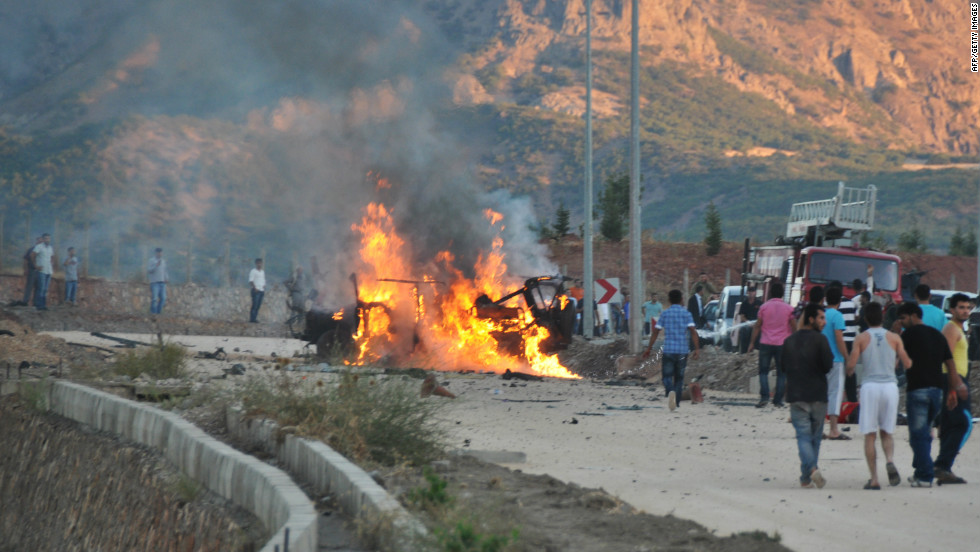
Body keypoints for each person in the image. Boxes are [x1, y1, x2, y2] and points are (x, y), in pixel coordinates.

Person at [846, 302, 912, 490]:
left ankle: (874, 478)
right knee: (887, 432)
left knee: (869, 435)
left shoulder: (861, 338)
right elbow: (907, 363)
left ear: (865, 319)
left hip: (870, 387)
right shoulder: (894, 338)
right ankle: (889, 460)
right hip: (890, 387)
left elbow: (851, 366)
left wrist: (850, 370)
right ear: (882, 318)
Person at [897, 302, 954, 487]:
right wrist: (953, 387)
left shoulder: (907, 335)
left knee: (918, 435)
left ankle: (925, 475)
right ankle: (920, 471)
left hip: (918, 390)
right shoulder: (937, 335)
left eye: (903, 318)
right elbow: (950, 362)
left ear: (914, 315)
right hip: (937, 391)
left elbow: (898, 361)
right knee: (925, 433)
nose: (902, 322)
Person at [782, 302, 833, 488]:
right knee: (815, 437)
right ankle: (811, 470)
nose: (824, 322)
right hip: (818, 395)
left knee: (803, 437)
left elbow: (782, 367)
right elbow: (828, 366)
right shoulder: (821, 341)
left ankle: (807, 476)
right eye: (821, 318)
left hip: (797, 395)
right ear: (811, 319)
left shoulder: (789, 341)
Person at [935, 293, 973, 484]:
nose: (965, 311)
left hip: (954, 379)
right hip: (954, 380)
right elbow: (946, 357)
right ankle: (942, 464)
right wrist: (955, 385)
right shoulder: (951, 328)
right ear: (952, 310)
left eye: (968, 307)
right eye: (961, 307)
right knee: (963, 423)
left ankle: (943, 468)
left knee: (950, 425)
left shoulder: (958, 328)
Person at [643, 289, 699, 412]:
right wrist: (696, 349)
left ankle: (670, 390)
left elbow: (656, 331)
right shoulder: (686, 314)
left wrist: (649, 348)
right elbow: (693, 332)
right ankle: (676, 402)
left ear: (669, 300)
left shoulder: (665, 314)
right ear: (681, 300)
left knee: (666, 377)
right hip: (682, 350)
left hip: (668, 349)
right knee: (679, 378)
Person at [748, 282, 795, 408]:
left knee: (763, 371)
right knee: (781, 373)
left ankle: (764, 397)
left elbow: (758, 325)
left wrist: (752, 343)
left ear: (770, 293)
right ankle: (778, 400)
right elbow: (794, 326)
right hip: (782, 345)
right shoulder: (789, 308)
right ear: (782, 293)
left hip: (765, 343)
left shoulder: (764, 307)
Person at [822, 285, 849, 440]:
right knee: (834, 393)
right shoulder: (837, 315)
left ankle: (818, 427)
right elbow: (839, 338)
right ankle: (833, 429)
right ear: (839, 301)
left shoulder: (821, 314)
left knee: (820, 394)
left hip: (820, 360)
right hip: (835, 360)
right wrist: (847, 356)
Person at [840, 279, 862, 402]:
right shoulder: (851, 303)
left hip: (840, 340)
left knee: (837, 370)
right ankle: (852, 399)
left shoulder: (832, 305)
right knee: (850, 370)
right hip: (851, 340)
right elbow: (856, 318)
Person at [30, 233, 54, 311]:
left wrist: (52, 264)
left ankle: (43, 305)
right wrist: (35, 266)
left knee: (45, 289)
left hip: (48, 271)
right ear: (43, 239)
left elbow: (52, 257)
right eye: (46, 238)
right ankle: (39, 305)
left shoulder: (50, 248)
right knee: (41, 288)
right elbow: (32, 255)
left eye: (48, 238)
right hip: (41, 271)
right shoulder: (39, 246)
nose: (47, 240)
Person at [736, 285, 762, 354]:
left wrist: (757, 324)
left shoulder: (759, 303)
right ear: (748, 293)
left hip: (756, 325)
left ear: (755, 293)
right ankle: (744, 352)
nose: (751, 293)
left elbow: (762, 316)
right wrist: (748, 322)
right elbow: (742, 316)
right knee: (744, 331)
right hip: (746, 325)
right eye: (750, 292)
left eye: (753, 292)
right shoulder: (744, 304)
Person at [19, 236, 42, 306]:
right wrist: (25, 269)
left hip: (40, 271)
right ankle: (25, 301)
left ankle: (35, 302)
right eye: (39, 241)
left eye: (41, 241)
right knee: (29, 286)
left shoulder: (43, 250)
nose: (40, 242)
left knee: (38, 287)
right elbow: (25, 259)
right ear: (36, 241)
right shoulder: (31, 249)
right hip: (32, 270)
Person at [147, 248, 169, 314]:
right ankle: (153, 314)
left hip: (162, 283)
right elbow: (149, 270)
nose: (160, 254)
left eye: (161, 252)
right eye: (158, 252)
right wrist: (156, 265)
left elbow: (165, 270)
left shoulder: (163, 261)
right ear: (156, 253)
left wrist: (166, 278)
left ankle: (158, 313)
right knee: (154, 299)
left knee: (163, 298)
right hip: (154, 283)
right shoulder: (151, 260)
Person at [248, 258, 266, 323]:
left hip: (261, 290)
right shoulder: (253, 271)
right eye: (258, 263)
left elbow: (263, 280)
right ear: (256, 264)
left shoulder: (262, 272)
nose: (259, 264)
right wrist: (255, 288)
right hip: (256, 291)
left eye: (260, 263)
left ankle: (255, 318)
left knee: (258, 305)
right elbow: (251, 281)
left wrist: (264, 286)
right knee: (254, 305)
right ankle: (252, 319)